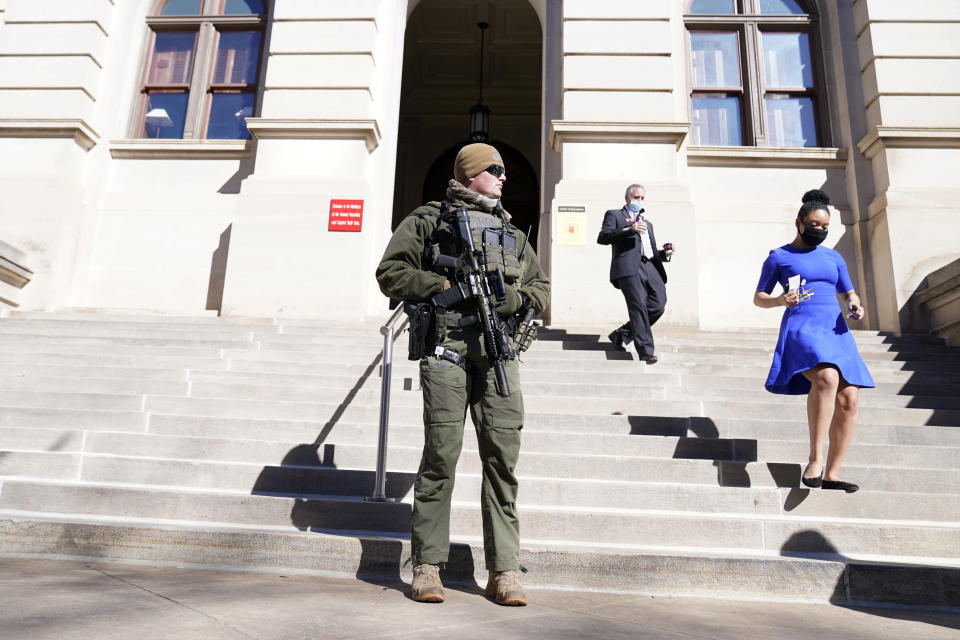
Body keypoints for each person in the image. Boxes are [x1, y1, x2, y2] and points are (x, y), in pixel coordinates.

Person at [375, 143, 550, 605]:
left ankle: (504, 572)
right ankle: (428, 566)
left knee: (502, 461)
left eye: (504, 170)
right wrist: (446, 288)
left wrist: (515, 301)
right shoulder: (428, 220)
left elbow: (541, 288)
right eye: (495, 169)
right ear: (471, 173)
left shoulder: (512, 232)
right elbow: (391, 272)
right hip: (448, 347)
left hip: (499, 354)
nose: (503, 176)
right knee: (441, 456)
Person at [753, 189, 875, 493]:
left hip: (835, 330)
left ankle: (833, 473)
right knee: (827, 377)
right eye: (814, 224)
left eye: (824, 227)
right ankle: (815, 459)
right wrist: (780, 300)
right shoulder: (779, 256)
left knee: (850, 397)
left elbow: (849, 292)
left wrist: (854, 304)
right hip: (802, 327)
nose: (819, 230)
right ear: (799, 222)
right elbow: (759, 297)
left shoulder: (834, 257)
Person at [597, 184, 674, 364]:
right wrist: (630, 230)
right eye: (636, 197)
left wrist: (664, 253)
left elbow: (649, 249)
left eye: (642, 198)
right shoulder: (615, 215)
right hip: (628, 268)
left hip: (650, 266)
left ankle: (621, 334)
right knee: (638, 305)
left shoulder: (648, 224)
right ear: (627, 198)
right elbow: (603, 237)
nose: (639, 201)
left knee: (658, 304)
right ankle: (646, 351)